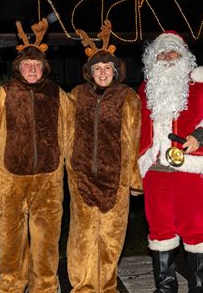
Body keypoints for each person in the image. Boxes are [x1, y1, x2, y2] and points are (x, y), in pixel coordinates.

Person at [0, 19, 70, 293]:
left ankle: (46, 286)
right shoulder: (3, 95)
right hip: (10, 181)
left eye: (37, 65)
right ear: (19, 67)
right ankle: (11, 285)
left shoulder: (57, 95)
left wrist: (78, 172)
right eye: (27, 65)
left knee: (47, 240)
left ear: (43, 67)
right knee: (9, 239)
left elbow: (73, 135)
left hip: (48, 181)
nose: (32, 69)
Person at [64, 20, 142, 293]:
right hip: (82, 177)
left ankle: (106, 286)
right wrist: (69, 168)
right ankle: (83, 287)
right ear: (90, 72)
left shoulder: (128, 97)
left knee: (110, 239)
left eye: (107, 67)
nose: (102, 72)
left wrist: (134, 179)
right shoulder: (76, 96)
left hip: (115, 179)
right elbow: (63, 132)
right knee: (82, 238)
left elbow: (134, 139)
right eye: (97, 68)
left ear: (116, 70)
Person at [137, 31, 203, 293]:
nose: (168, 57)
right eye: (162, 53)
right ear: (153, 59)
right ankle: (166, 288)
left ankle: (199, 287)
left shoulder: (200, 82)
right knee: (160, 228)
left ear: (183, 56)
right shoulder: (145, 89)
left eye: (173, 52)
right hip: (156, 169)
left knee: (195, 227)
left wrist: (200, 136)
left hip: (191, 167)